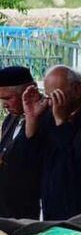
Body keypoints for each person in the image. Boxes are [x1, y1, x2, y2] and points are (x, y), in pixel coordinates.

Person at [22, 65, 81, 220]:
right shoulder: (49, 114)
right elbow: (30, 159)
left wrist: (61, 123)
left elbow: (78, 164)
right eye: (48, 97)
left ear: (76, 90)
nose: (51, 103)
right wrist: (31, 119)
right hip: (51, 206)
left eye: (56, 96)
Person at [0, 66, 40, 219]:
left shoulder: (47, 119)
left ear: (29, 92)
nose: (4, 105)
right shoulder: (11, 119)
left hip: (27, 210)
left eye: (8, 98)